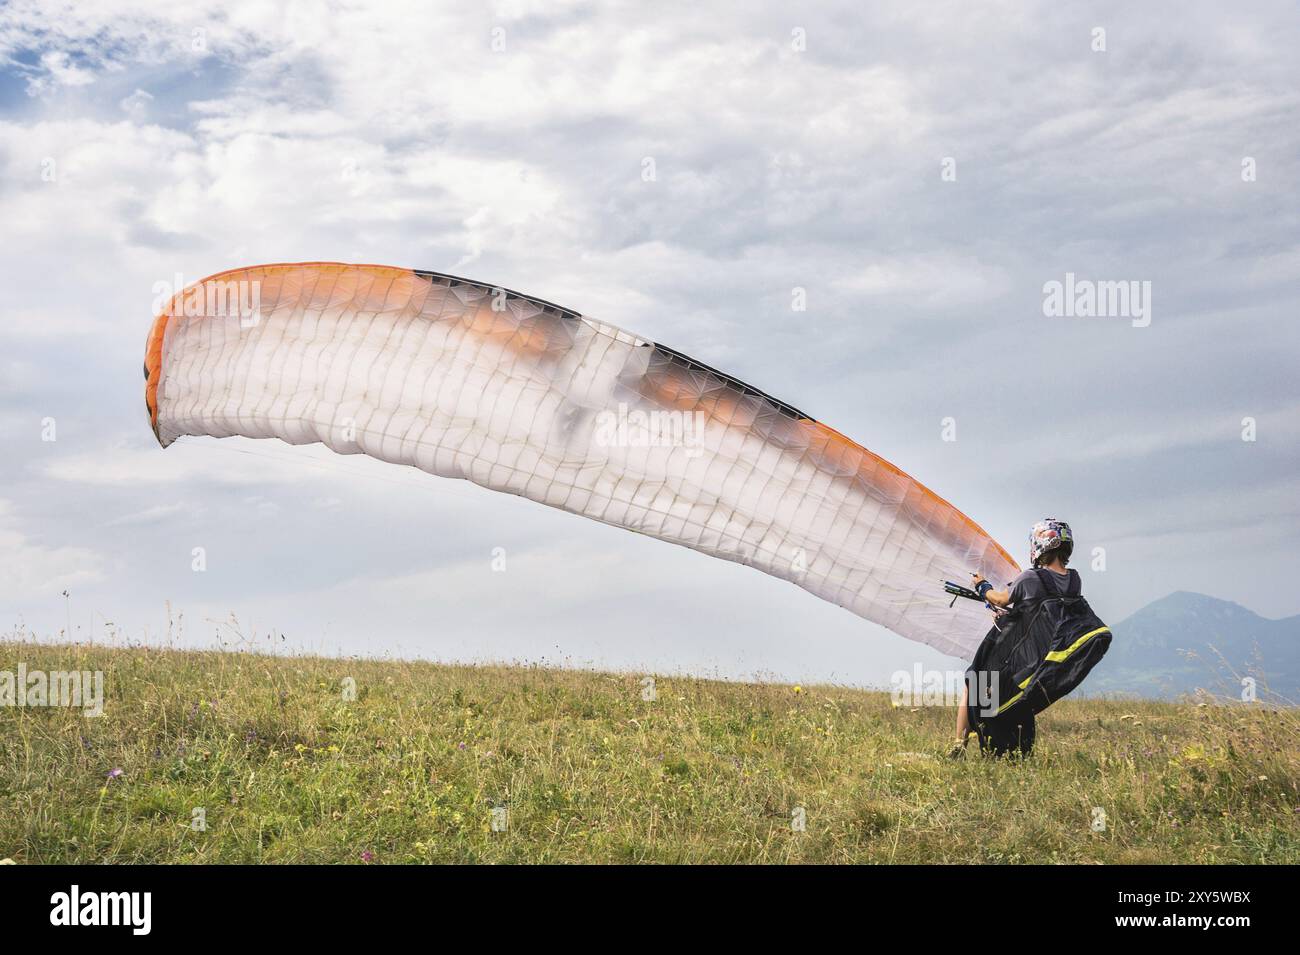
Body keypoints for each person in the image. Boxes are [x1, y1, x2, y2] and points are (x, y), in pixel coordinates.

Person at [950, 518, 1077, 757]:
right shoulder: (1073, 581)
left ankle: (959, 746)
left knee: (973, 680)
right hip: (1045, 656)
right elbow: (1042, 613)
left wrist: (981, 585)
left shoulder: (1029, 578)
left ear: (1039, 546)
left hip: (1018, 655)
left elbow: (999, 599)